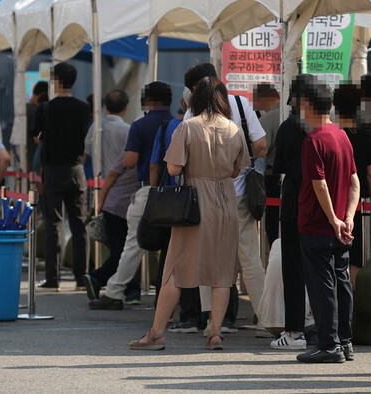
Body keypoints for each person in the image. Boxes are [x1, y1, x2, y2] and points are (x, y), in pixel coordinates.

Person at [128, 77, 249, 351]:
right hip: (226, 202)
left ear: (196, 99)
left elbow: (172, 169)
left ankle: (157, 332)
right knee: (222, 271)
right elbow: (236, 170)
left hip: (194, 202)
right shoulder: (233, 128)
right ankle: (215, 332)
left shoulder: (188, 127)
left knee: (175, 269)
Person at [182, 63, 267, 328]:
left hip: (204, 197)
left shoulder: (191, 114)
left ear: (195, 88)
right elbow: (262, 145)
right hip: (239, 193)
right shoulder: (240, 104)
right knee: (250, 260)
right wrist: (241, 160)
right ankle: (267, 320)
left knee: (208, 259)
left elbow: (182, 157)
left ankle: (212, 322)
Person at [90, 82, 174, 310]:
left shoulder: (139, 126)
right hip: (175, 192)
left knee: (133, 245)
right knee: (174, 246)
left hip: (147, 190)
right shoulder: (179, 123)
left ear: (146, 101)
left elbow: (129, 161)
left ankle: (114, 292)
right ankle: (174, 299)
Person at [295, 76, 359, 364]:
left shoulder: (312, 141)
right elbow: (355, 180)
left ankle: (329, 344)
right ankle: (345, 342)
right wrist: (347, 217)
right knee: (341, 280)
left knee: (323, 285)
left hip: (317, 224)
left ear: (307, 105)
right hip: (341, 226)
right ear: (331, 106)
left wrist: (333, 218)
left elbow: (318, 183)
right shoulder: (343, 136)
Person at [38, 62, 91, 290]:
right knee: (79, 225)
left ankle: (53, 278)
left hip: (53, 169)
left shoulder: (45, 108)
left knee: (54, 224)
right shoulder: (83, 108)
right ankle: (82, 277)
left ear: (55, 80)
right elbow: (85, 141)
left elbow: (37, 138)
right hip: (76, 169)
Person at [269, 75, 311, 350]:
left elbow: (278, 165)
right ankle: (336, 333)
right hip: (325, 209)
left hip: (295, 203)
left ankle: (295, 331)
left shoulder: (288, 127)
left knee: (294, 270)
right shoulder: (329, 130)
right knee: (326, 272)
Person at [82, 89, 133, 301]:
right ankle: (101, 278)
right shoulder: (128, 130)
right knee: (125, 247)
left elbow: (86, 153)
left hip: (101, 186)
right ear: (126, 107)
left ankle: (129, 288)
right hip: (124, 192)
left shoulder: (97, 127)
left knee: (119, 245)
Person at [332, 84, 371, 287]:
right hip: (358, 207)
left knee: (331, 257)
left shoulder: (328, 136)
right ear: (358, 106)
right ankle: (354, 308)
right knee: (357, 257)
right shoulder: (363, 137)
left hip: (331, 205)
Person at [86, 147, 141, 302]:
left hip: (120, 204)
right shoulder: (134, 147)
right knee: (123, 251)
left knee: (125, 250)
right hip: (119, 206)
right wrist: (101, 201)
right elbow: (112, 173)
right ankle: (98, 278)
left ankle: (129, 288)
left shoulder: (136, 144)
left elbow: (113, 173)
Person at [257, 83, 282, 247]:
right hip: (295, 177)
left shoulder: (267, 118)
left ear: (263, 99)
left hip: (272, 177)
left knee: (272, 223)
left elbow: (262, 150)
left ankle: (273, 255)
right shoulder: (294, 115)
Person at [26, 81, 49, 169]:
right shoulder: (37, 111)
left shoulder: (24, 110)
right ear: (43, 94)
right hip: (35, 158)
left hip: (25, 157)